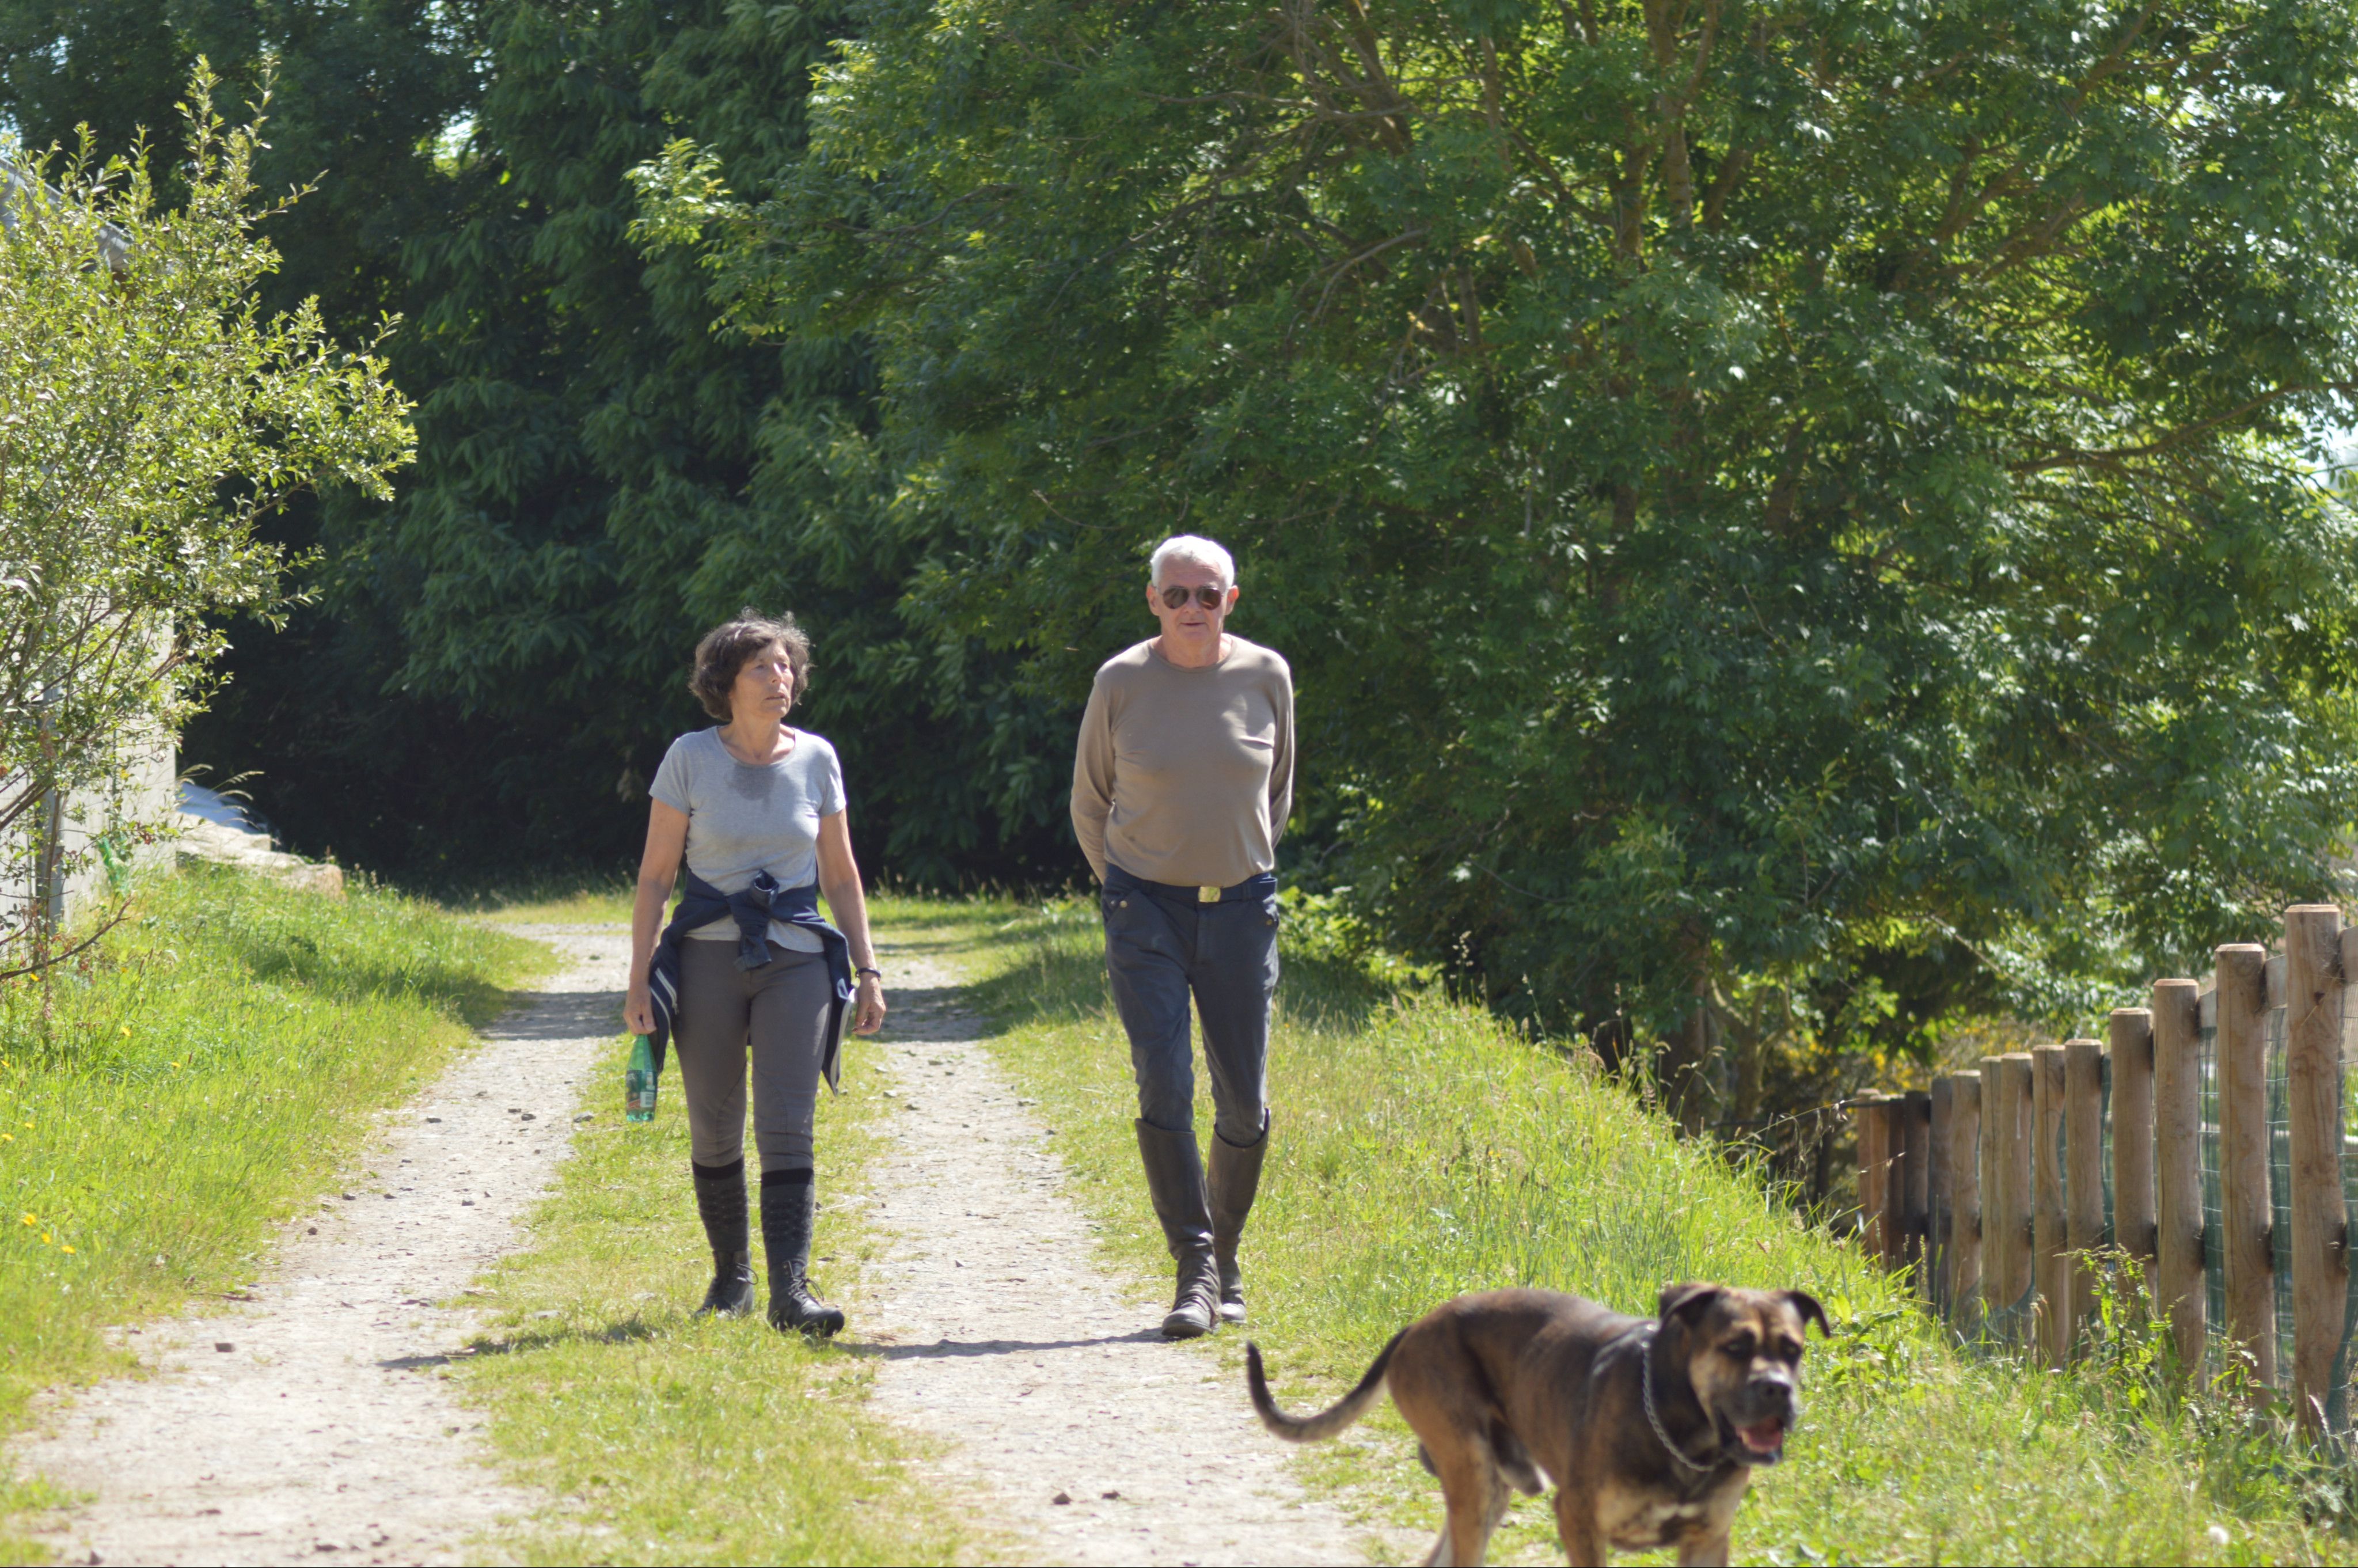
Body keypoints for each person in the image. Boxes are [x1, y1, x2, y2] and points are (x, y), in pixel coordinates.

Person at [624, 609, 887, 1337]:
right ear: (724, 684)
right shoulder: (689, 756)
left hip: (797, 958)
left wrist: (867, 967)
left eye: (786, 667)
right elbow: (654, 877)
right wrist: (640, 974)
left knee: (788, 1124)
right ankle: (731, 1279)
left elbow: (841, 871)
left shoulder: (817, 758)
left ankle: (790, 1292)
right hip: (707, 954)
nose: (781, 679)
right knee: (713, 1122)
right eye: (762, 668)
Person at [1071, 535, 1294, 1338]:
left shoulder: (1267, 674)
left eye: (1208, 594)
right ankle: (1194, 1267)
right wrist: (1125, 891)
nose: (1192, 608)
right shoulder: (1121, 681)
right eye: (1177, 595)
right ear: (1152, 599)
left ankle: (1226, 1256)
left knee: (1243, 1097)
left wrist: (1238, 868)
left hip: (1240, 908)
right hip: (1145, 910)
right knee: (1162, 1080)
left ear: (1231, 599)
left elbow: (1276, 792)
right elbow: (1089, 800)